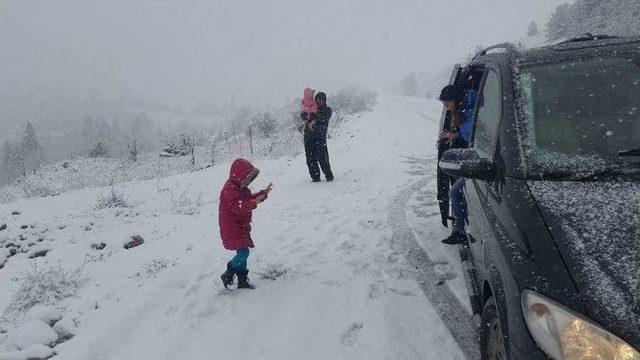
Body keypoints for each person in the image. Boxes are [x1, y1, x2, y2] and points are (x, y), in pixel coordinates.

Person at [219, 158, 273, 289]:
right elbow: (238, 206)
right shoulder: (229, 189)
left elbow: (247, 199)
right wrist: (255, 202)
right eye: (247, 178)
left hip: (241, 226)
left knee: (243, 253)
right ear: (239, 176)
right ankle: (229, 272)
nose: (248, 181)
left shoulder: (240, 188)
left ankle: (242, 281)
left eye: (250, 179)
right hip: (232, 227)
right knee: (244, 253)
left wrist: (262, 194)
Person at [438, 85, 476, 245]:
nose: (446, 108)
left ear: (455, 100)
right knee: (456, 186)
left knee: (455, 191)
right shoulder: (463, 108)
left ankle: (461, 230)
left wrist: (457, 133)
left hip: (479, 156)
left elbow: (473, 133)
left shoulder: (471, 108)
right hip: (471, 153)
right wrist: (454, 135)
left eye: (447, 104)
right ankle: (460, 224)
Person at [301, 91, 334, 182]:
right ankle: (315, 178)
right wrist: (305, 115)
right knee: (310, 159)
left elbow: (323, 118)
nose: (318, 101)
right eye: (317, 99)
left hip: (320, 137)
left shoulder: (327, 110)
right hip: (308, 137)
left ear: (324, 100)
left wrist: (314, 115)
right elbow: (303, 114)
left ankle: (329, 176)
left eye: (320, 100)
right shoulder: (311, 107)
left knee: (322, 158)